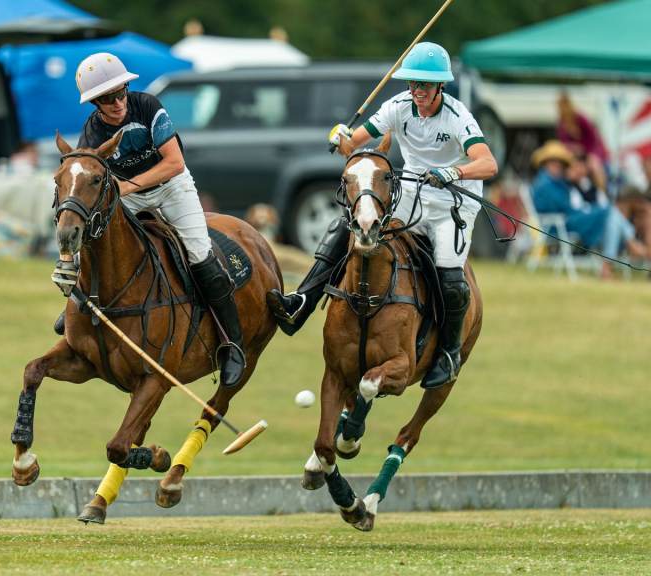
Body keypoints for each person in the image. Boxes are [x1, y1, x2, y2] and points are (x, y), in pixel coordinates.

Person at [266, 42, 498, 389]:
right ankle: (303, 300)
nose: (416, 91)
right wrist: (340, 135)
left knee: (451, 274)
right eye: (412, 83)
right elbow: (354, 146)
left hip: (451, 204)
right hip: (411, 193)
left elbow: (488, 162)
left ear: (440, 87)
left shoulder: (457, 116)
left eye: (424, 85)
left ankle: (449, 351)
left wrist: (454, 172)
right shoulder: (398, 106)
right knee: (352, 224)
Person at [55, 52, 245, 387]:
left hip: (172, 188)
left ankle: (231, 345)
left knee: (199, 253)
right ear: (94, 103)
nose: (116, 103)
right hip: (129, 195)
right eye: (105, 98)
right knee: (100, 240)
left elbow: (174, 163)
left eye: (119, 92)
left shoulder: (147, 106)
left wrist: (124, 188)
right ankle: (78, 304)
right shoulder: (93, 132)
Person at [530, 140, 645, 279]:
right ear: (546, 162)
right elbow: (560, 207)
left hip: (568, 220)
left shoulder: (555, 181)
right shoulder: (545, 183)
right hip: (558, 225)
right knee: (608, 211)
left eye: (560, 162)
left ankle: (610, 262)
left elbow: (568, 205)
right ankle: (630, 243)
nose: (558, 165)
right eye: (554, 162)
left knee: (610, 216)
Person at [556, 92, 609, 193]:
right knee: (571, 170)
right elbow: (563, 144)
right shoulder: (562, 123)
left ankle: (602, 193)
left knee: (595, 166)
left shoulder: (581, 118)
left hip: (592, 150)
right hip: (576, 155)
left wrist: (589, 154)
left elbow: (594, 138)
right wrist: (573, 148)